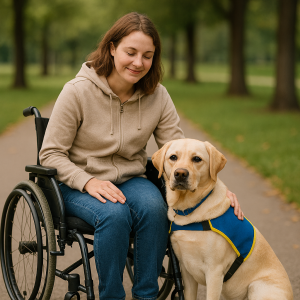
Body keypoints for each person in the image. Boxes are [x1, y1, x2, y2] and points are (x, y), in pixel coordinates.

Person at [40, 12, 243, 300]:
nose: (138, 63)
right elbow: (50, 154)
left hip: (130, 179)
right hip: (76, 184)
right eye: (130, 52)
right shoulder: (77, 91)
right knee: (114, 214)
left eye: (147, 56)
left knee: (154, 208)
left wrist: (218, 192)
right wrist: (87, 182)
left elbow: (180, 149)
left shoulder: (157, 96)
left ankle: (146, 295)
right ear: (112, 48)